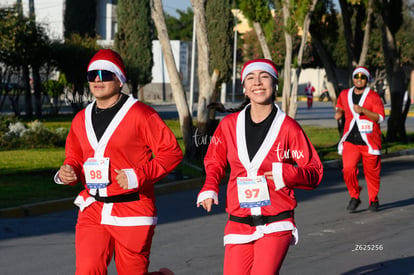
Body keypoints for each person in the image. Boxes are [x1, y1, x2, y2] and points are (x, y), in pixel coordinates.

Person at [54, 49, 182, 275]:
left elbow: (171, 152)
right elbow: (74, 156)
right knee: (87, 270)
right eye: (92, 75)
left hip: (132, 208)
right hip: (92, 208)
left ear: (119, 79)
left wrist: (138, 175)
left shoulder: (142, 114)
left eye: (104, 74)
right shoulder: (81, 118)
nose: (97, 80)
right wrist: (69, 170)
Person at [196, 59, 323, 275]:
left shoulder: (289, 128)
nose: (258, 82)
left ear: (274, 85)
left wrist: (286, 173)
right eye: (251, 78)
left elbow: (314, 171)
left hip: (276, 221)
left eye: (264, 77)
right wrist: (210, 186)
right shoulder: (228, 125)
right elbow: (214, 160)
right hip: (238, 222)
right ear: (244, 88)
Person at [334, 66, 385, 213]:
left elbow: (380, 117)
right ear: (353, 78)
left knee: (372, 174)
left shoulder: (374, 97)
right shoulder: (345, 94)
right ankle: (355, 196)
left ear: (367, 80)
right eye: (357, 76)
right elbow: (340, 106)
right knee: (348, 169)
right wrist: (339, 113)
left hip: (370, 142)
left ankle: (373, 199)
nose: (359, 79)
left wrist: (363, 111)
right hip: (351, 140)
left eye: (363, 77)